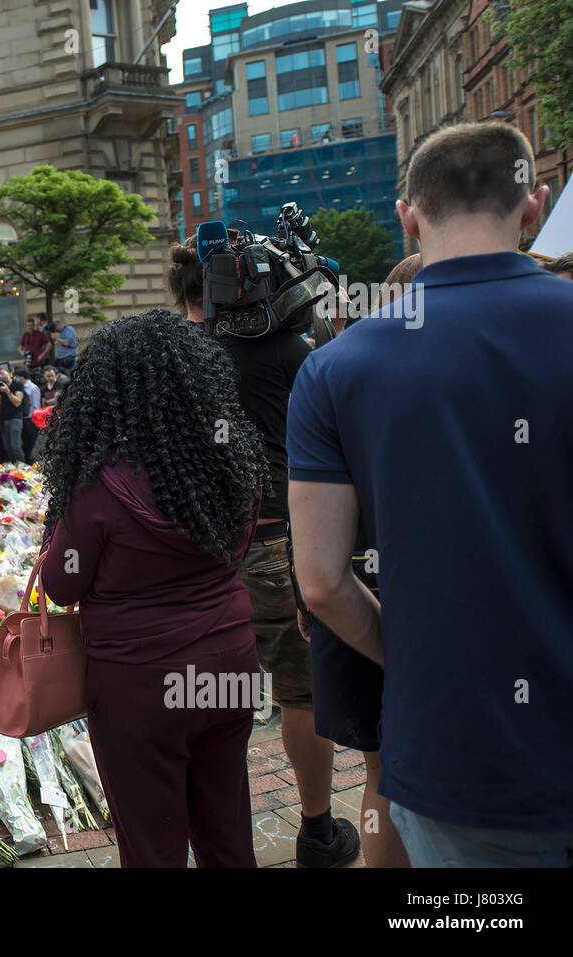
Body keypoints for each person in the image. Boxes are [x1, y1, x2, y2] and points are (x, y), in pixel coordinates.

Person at [288, 121, 573, 867]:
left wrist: (404, 652)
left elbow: (319, 581)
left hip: (456, 753)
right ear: (533, 207)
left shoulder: (335, 371)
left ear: (407, 216)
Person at [38, 311, 266, 868]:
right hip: (229, 663)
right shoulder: (231, 463)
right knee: (228, 825)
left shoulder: (97, 483)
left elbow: (61, 585)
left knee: (152, 844)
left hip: (141, 682)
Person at [168, 234, 359, 868]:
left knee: (215, 694)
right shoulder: (291, 350)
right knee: (300, 693)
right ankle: (317, 829)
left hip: (204, 551)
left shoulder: (176, 360)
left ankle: (221, 839)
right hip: (278, 537)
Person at [299, 257, 418, 870]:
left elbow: (308, 521)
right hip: (414, 596)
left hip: (351, 595)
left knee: (378, 766)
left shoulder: (332, 374)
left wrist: (307, 600)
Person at [0, 366, 24, 465]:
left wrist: (8, 391)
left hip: (15, 418)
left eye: (3, 373)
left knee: (15, 445)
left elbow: (17, 402)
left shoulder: (17, 384)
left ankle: (23, 466)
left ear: (9, 373)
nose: (1, 376)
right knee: (7, 447)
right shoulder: (0, 388)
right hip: (4, 419)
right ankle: (15, 466)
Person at [13, 366, 41, 465]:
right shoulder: (19, 387)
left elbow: (36, 405)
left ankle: (34, 461)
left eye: (16, 376)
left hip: (31, 418)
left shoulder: (33, 388)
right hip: (22, 417)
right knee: (24, 442)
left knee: (32, 441)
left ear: (22, 377)